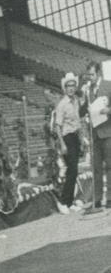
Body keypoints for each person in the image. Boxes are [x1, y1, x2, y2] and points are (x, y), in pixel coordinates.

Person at [52, 73, 84, 212]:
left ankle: (69, 202)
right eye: (68, 86)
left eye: (73, 85)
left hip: (75, 137)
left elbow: (78, 121)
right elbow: (57, 126)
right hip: (66, 138)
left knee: (74, 170)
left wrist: (81, 140)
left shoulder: (76, 101)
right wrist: (63, 144)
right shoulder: (62, 104)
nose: (71, 88)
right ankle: (63, 201)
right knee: (71, 170)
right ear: (64, 88)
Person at [85, 63, 111, 211]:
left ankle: (110, 198)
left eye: (92, 75)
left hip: (108, 132)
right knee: (96, 168)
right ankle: (97, 198)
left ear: (99, 74)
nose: (90, 78)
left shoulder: (109, 86)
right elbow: (85, 109)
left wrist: (108, 110)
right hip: (94, 133)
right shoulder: (87, 90)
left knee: (110, 166)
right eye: (88, 75)